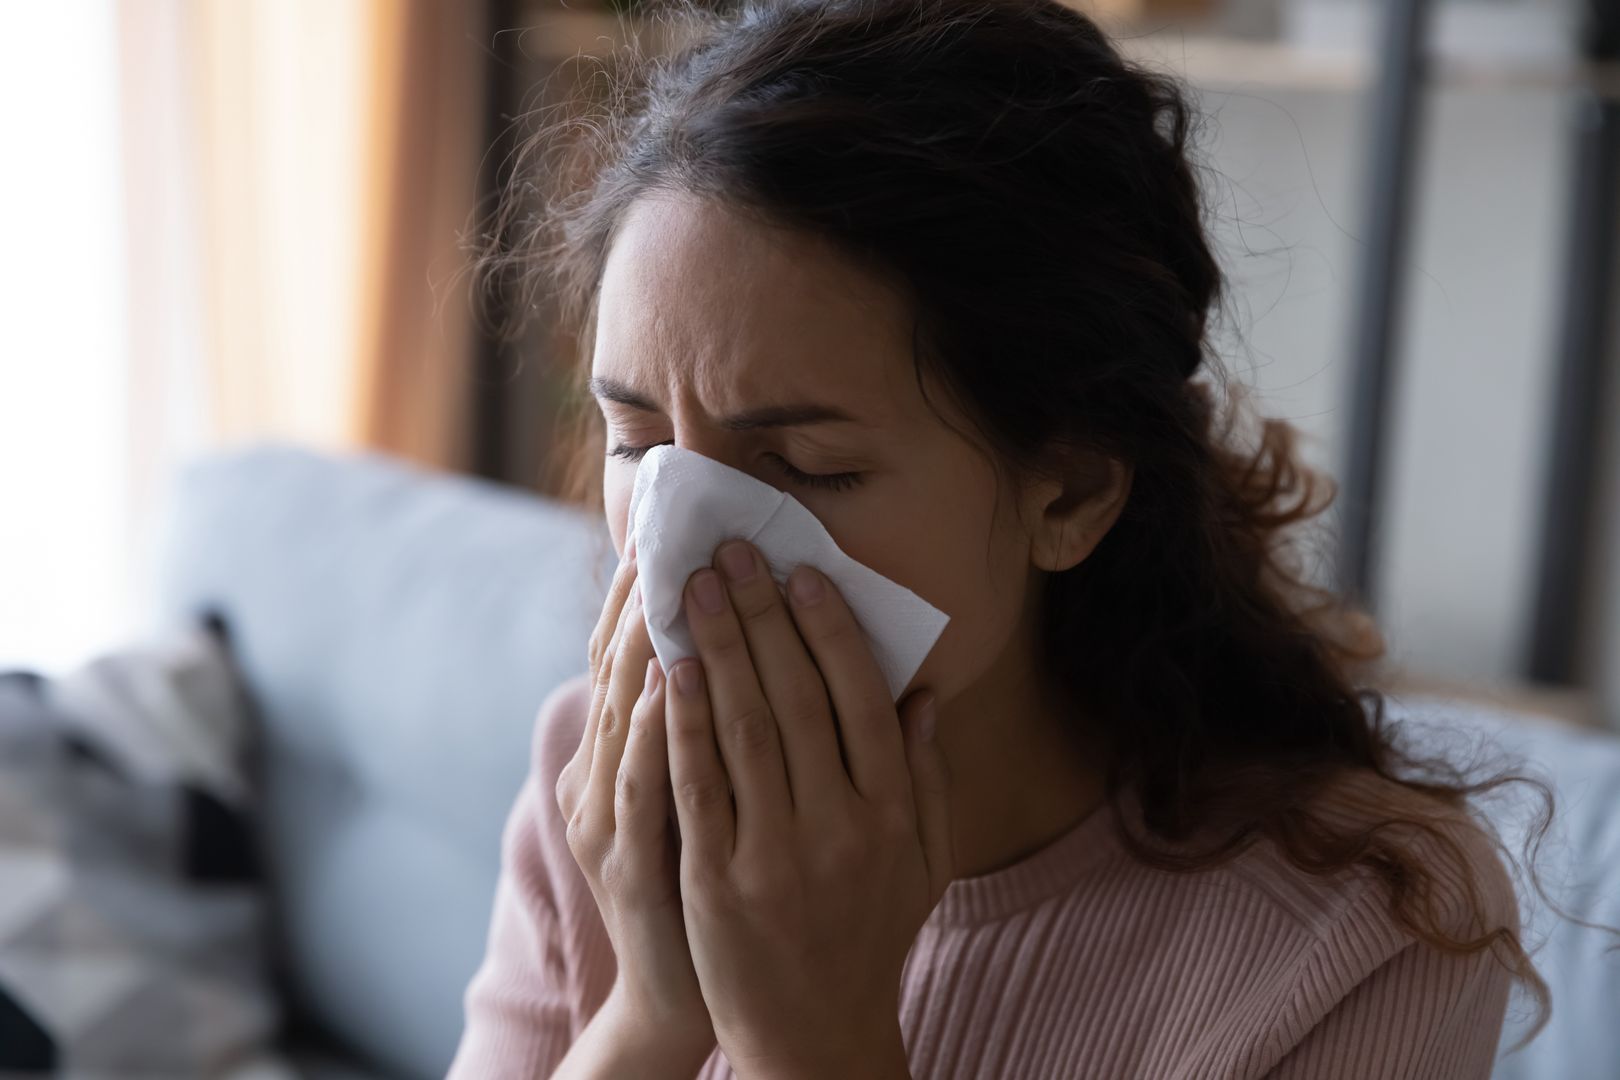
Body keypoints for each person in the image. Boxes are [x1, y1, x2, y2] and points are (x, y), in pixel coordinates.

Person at [446, 0, 1548, 1075]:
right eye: (637, 440)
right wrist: (651, 1012)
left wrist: (814, 1046)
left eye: (807, 468)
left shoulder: (1363, 933)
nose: (681, 548)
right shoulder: (597, 782)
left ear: (1066, 494)